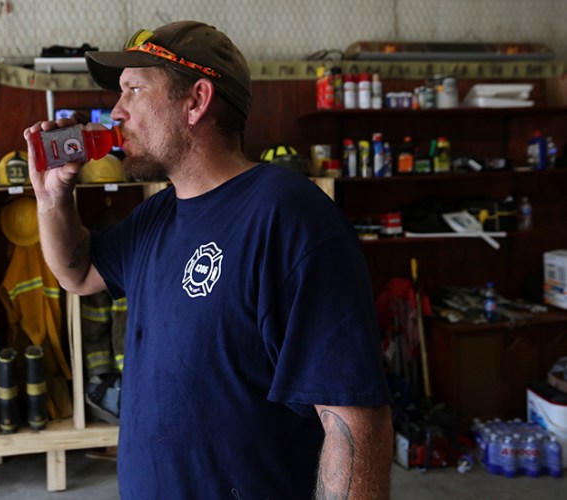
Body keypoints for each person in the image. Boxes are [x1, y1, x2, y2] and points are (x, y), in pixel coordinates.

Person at [24, 20, 392, 499]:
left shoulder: (290, 218)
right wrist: (52, 198)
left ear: (196, 101)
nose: (116, 111)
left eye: (134, 89)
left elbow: (356, 426)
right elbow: (79, 274)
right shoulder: (156, 214)